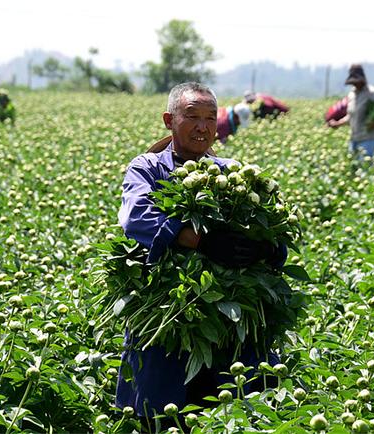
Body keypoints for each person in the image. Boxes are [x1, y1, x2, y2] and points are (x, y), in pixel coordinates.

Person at [115, 82, 285, 420]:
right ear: (169, 120)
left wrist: (261, 247)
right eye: (192, 117)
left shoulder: (231, 173)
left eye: (210, 118)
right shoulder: (148, 168)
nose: (203, 127)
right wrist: (199, 240)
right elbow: (136, 217)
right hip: (169, 312)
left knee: (235, 407)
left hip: (228, 319)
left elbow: (274, 232)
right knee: (160, 409)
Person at [327, 64, 374, 162]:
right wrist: (337, 123)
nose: (355, 84)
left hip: (368, 139)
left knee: (364, 168)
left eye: (357, 82)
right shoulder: (352, 94)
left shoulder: (371, 93)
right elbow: (351, 116)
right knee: (353, 167)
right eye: (353, 82)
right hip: (354, 138)